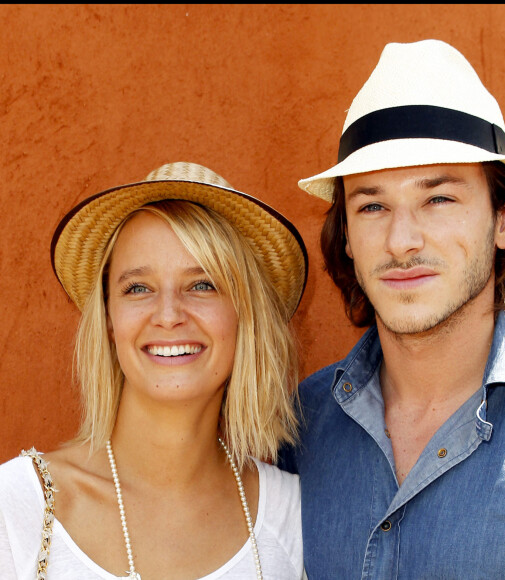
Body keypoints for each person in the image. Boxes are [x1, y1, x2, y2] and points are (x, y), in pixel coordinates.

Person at [278, 39, 505, 578]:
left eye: (438, 199)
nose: (401, 240)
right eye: (372, 206)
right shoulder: (299, 428)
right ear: (346, 236)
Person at [0, 161, 308, 579]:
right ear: (109, 320)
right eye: (138, 288)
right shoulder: (19, 509)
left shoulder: (296, 517)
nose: (168, 315)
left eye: (203, 284)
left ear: (245, 315)